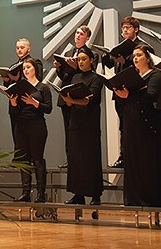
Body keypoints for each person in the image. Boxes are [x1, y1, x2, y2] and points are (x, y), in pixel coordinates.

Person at [112, 45, 161, 207]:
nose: (135, 58)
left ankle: (153, 200)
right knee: (135, 162)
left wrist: (129, 95)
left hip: (151, 127)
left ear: (148, 58)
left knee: (151, 164)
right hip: (133, 125)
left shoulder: (156, 75)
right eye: (134, 55)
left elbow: (151, 96)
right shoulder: (132, 76)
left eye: (139, 55)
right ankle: (136, 200)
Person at [102, 16, 149, 169]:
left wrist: (126, 61)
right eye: (123, 28)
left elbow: (144, 69)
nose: (125, 30)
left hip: (134, 93)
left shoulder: (142, 47)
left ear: (136, 29)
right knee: (123, 126)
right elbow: (109, 64)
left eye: (128, 27)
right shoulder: (120, 48)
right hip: (120, 93)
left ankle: (136, 156)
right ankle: (124, 155)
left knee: (136, 125)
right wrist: (107, 56)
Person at [60, 46, 104, 205]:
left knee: (91, 159)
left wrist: (72, 101)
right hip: (75, 122)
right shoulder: (75, 77)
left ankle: (95, 195)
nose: (81, 62)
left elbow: (90, 100)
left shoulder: (97, 78)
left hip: (89, 124)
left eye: (84, 59)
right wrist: (68, 101)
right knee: (76, 159)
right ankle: (78, 194)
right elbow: (72, 101)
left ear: (92, 60)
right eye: (79, 59)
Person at [8, 58, 52, 202]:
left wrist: (35, 103)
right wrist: (14, 104)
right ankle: (26, 192)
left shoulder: (43, 87)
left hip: (37, 126)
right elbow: (15, 113)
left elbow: (49, 108)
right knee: (24, 160)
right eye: (24, 68)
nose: (26, 70)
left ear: (35, 69)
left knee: (37, 159)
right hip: (21, 126)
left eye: (28, 67)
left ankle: (40, 193)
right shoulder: (20, 86)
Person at [53, 25, 95, 168]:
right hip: (66, 95)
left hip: (78, 97)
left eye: (81, 34)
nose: (77, 35)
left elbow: (88, 75)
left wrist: (76, 67)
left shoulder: (89, 54)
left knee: (79, 129)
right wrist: (59, 68)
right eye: (76, 33)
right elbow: (65, 76)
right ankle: (69, 158)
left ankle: (79, 159)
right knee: (68, 129)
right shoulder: (70, 52)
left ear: (87, 38)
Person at [0, 38, 43, 149]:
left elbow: (37, 81)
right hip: (14, 103)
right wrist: (7, 80)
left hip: (27, 102)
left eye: (22, 47)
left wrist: (18, 78)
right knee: (16, 133)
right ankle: (18, 159)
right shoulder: (14, 66)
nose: (19, 50)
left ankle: (30, 161)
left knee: (30, 136)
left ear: (28, 49)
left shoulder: (35, 62)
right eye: (17, 48)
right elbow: (9, 87)